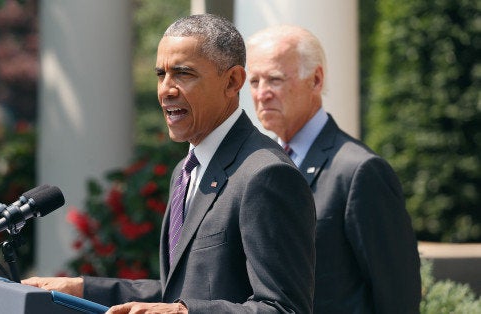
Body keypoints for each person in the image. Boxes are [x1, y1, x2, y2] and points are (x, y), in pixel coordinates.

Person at [23, 14, 316, 314]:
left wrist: (183, 313)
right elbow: (181, 291)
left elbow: (284, 309)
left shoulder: (266, 175)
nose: (166, 89)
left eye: (183, 74)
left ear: (232, 81)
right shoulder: (186, 171)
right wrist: (83, 288)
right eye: (161, 74)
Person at [246, 25, 422, 313]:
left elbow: (398, 296)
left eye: (275, 80)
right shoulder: (256, 165)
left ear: (315, 80)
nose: (262, 94)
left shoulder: (359, 171)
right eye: (254, 81)